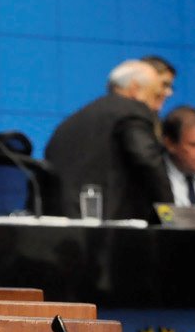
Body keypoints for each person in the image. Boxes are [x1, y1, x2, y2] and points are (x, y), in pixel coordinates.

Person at [43, 60, 171, 220]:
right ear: (135, 89)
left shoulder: (75, 120)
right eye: (156, 95)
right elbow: (148, 161)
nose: (158, 106)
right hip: (109, 224)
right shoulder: (132, 111)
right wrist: (169, 215)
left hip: (60, 219)